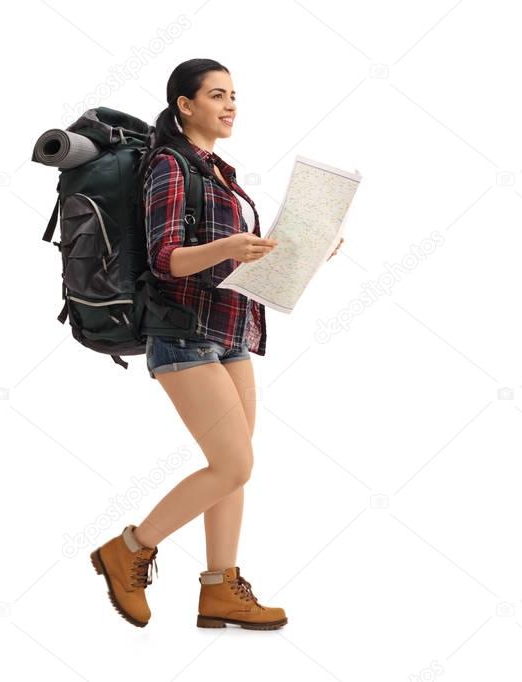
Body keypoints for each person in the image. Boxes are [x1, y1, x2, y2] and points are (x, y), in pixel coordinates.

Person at [89, 58, 343, 630]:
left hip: (230, 333)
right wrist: (232, 245)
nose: (230, 105)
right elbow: (167, 259)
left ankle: (219, 588)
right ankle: (129, 547)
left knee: (234, 469)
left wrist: (302, 250)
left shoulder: (220, 172)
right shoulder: (169, 167)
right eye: (216, 95)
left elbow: (235, 257)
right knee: (232, 463)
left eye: (234, 95)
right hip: (182, 334)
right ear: (185, 104)